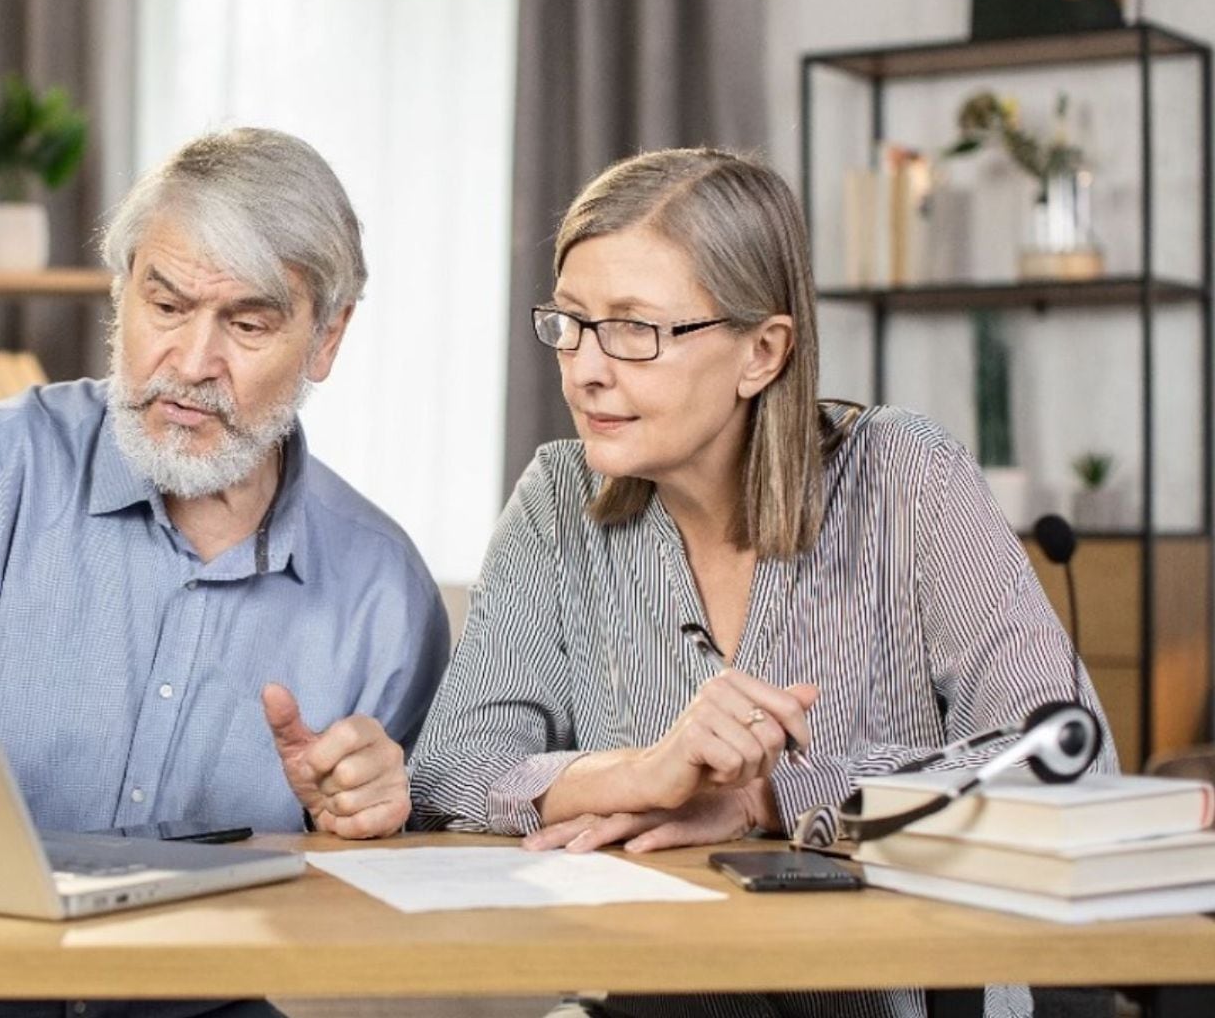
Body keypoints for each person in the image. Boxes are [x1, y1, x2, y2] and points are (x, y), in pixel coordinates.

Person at [401, 147, 1116, 1018]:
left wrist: (769, 796)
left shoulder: (904, 478)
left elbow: (1068, 766)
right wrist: (640, 773)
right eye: (572, 321)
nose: (586, 366)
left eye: (636, 329)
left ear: (762, 352)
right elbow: (447, 775)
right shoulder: (557, 500)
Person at [0, 127, 449, 1018]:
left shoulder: (383, 595)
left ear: (327, 337)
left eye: (246, 323)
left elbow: (404, 888)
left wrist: (367, 821)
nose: (192, 365)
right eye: (164, 306)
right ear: (123, 293)